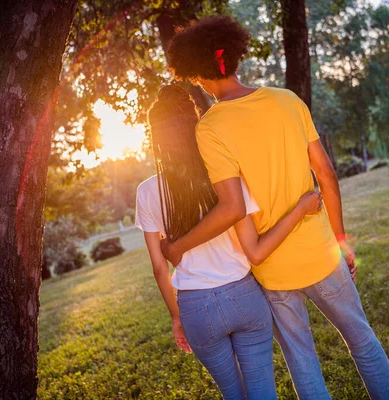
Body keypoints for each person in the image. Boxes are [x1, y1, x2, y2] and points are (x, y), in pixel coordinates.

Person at [162, 16, 389, 399]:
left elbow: (232, 207)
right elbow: (326, 174)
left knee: (304, 363)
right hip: (321, 253)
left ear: (198, 73)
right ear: (235, 57)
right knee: (363, 342)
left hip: (272, 268)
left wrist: (177, 247)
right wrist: (340, 239)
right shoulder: (287, 100)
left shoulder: (209, 128)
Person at [135, 85, 324, 400]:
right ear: (195, 122)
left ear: (156, 137)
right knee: (263, 392)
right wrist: (301, 209)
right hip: (244, 297)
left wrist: (177, 318)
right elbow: (257, 249)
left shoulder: (147, 191)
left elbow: (159, 267)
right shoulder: (223, 176)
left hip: (196, 309)